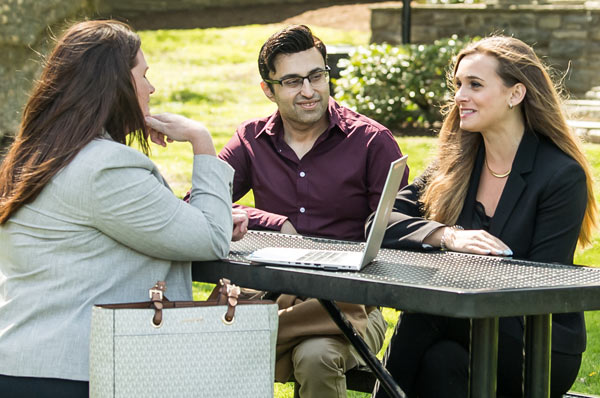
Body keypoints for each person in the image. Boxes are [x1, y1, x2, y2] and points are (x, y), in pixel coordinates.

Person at [0, 20, 246, 397]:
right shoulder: (107, 167)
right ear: (114, 85)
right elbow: (210, 240)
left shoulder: (35, 155)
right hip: (76, 372)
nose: (151, 87)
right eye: (143, 75)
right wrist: (201, 140)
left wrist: (201, 222)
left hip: (23, 362)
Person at [373, 35, 597, 398]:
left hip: (537, 342)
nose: (460, 95)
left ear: (516, 94)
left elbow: (541, 284)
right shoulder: (456, 163)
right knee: (442, 363)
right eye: (459, 84)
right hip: (461, 328)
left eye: (475, 85)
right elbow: (380, 222)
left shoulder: (559, 175)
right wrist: (447, 236)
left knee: (428, 313)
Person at [217, 25, 409, 398]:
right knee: (310, 350)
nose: (309, 91)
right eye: (292, 81)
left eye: (317, 76)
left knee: (316, 355)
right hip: (273, 292)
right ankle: (254, 331)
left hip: (351, 301)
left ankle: (239, 337)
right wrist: (276, 223)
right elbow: (201, 201)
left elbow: (398, 229)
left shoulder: (371, 142)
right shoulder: (251, 139)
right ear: (268, 90)